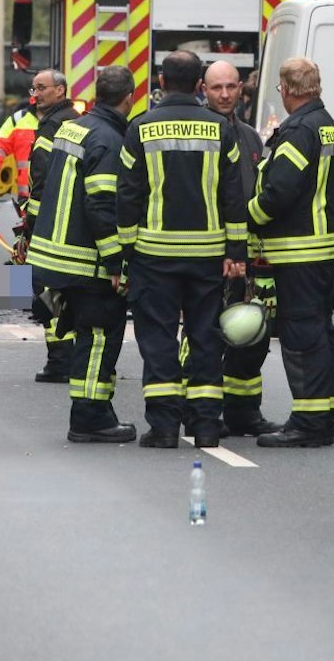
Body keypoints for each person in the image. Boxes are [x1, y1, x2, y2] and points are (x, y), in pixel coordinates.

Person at [117, 50, 247, 448]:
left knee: (157, 339)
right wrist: (236, 251)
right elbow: (233, 193)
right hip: (207, 256)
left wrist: (125, 250)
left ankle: (165, 427)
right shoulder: (220, 129)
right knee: (205, 338)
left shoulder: (139, 128)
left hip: (154, 256)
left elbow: (128, 194)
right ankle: (207, 427)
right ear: (197, 86)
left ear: (160, 82)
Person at [27, 65, 138, 443]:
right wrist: (114, 263)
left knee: (87, 335)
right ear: (129, 98)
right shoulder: (108, 139)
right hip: (84, 259)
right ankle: (89, 417)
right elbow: (101, 205)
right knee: (100, 335)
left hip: (54, 254)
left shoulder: (74, 127)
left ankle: (98, 409)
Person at [247, 57, 334, 448]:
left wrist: (248, 218)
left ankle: (308, 423)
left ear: (286, 90)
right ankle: (320, 416)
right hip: (318, 249)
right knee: (319, 335)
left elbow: (280, 191)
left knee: (302, 338)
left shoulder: (299, 131)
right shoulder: (329, 127)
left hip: (296, 251)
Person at [203, 60, 280, 436]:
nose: (225, 94)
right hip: (210, 253)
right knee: (208, 334)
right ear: (204, 89)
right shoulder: (202, 133)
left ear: (240, 90)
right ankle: (201, 410)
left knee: (252, 334)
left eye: (231, 87)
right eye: (217, 87)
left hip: (250, 255)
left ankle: (244, 412)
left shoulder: (251, 137)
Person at [0, 69, 81, 382]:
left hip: (48, 225)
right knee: (60, 291)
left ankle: (59, 363)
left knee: (47, 292)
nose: (36, 93)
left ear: (60, 91)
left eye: (42, 88)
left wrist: (30, 226)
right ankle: (65, 360)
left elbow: (44, 182)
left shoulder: (53, 125)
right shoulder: (67, 120)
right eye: (34, 87)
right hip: (66, 222)